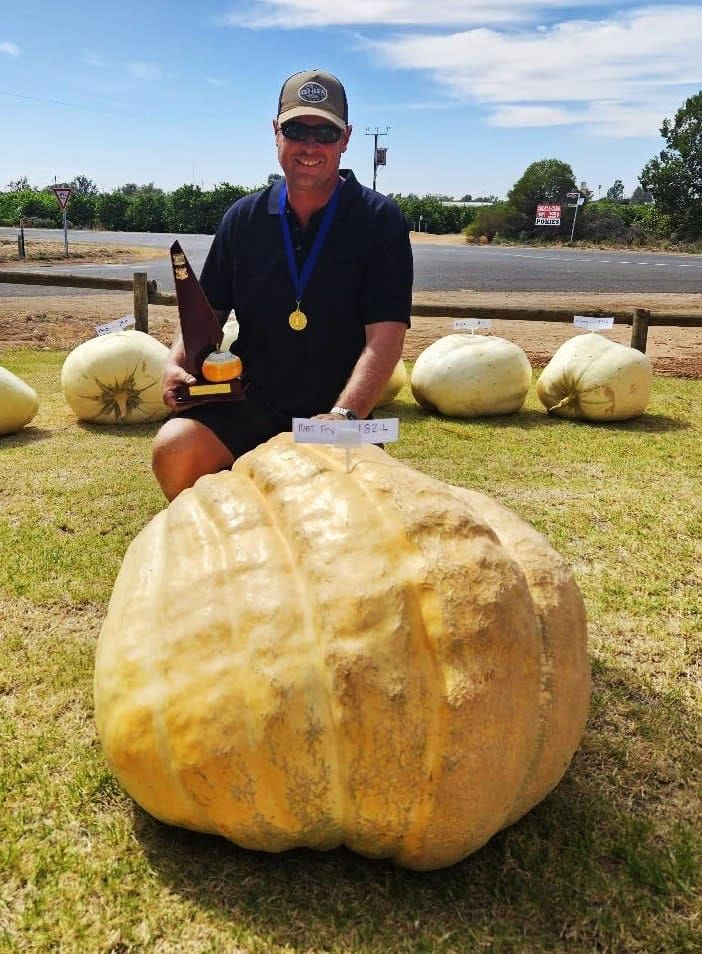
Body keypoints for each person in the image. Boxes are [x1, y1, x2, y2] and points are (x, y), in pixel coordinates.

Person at [152, 69, 413, 500]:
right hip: (249, 401)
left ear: (345, 139)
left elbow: (384, 338)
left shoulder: (380, 221)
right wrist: (176, 362)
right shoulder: (243, 218)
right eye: (296, 129)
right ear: (275, 132)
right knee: (174, 449)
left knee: (349, 521)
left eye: (324, 132)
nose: (310, 145)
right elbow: (206, 313)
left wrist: (345, 416)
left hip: (336, 411)